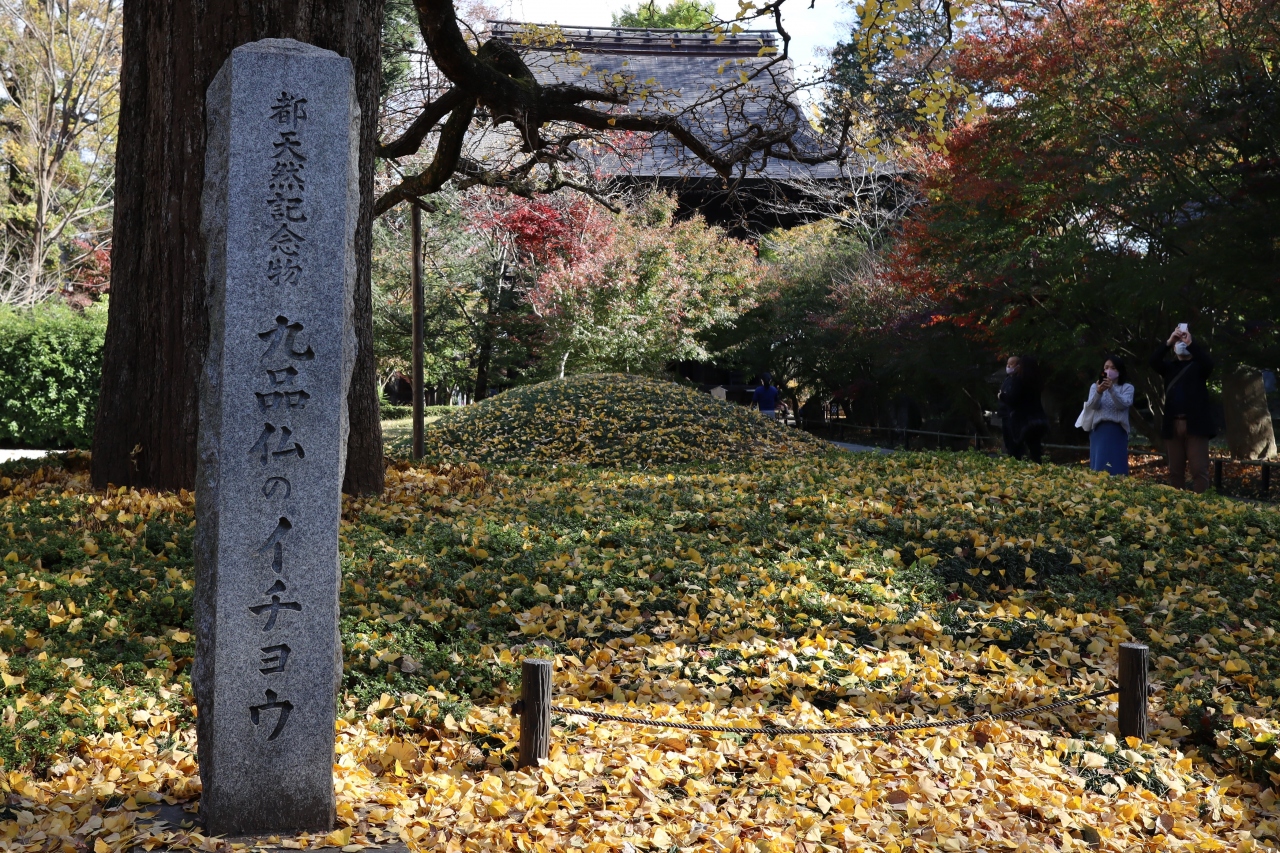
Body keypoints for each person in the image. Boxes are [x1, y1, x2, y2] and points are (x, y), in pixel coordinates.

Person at [1150, 325, 1215, 492]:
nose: (1181, 344)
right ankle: (1177, 503)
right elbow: (1153, 361)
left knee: (1199, 469)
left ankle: (1202, 503)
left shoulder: (1199, 367)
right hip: (1173, 424)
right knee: (1175, 471)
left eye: (1183, 342)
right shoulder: (1169, 367)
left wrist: (1191, 343)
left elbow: (1208, 363)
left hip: (1196, 425)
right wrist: (1169, 341)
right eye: (1178, 343)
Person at [1084, 355, 1134, 475]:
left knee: (1116, 465)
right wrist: (1099, 392)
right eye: (1106, 367)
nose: (1108, 370)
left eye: (1113, 368)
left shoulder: (1127, 387)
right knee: (1100, 466)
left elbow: (1123, 404)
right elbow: (1092, 405)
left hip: (1117, 431)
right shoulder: (1094, 387)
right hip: (1098, 431)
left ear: (1120, 371)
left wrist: (1112, 389)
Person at [998, 354, 1048, 462]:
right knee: (1035, 449)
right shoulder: (1037, 381)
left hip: (1023, 420)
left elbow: (1013, 399)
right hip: (1038, 418)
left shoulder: (1019, 380)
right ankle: (1037, 466)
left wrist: (1001, 396)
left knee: (1015, 449)